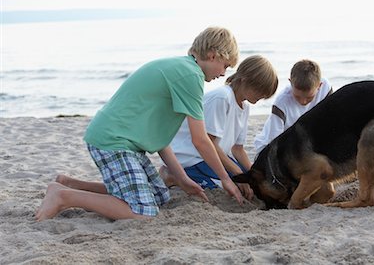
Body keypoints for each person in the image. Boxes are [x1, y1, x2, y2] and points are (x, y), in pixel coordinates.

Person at [35, 27, 245, 221]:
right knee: (143, 211)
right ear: (213, 55)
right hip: (112, 141)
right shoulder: (191, 76)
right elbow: (200, 140)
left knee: (159, 195)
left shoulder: (182, 68)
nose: (223, 73)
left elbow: (160, 138)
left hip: (124, 142)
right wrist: (225, 178)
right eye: (225, 66)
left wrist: (181, 178)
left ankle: (70, 184)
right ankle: (64, 196)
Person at [159, 55, 278, 200]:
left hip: (214, 156)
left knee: (249, 185)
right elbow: (209, 144)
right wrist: (238, 175)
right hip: (192, 156)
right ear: (245, 80)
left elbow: (238, 149)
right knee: (226, 188)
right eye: (261, 91)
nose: (263, 96)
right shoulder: (222, 97)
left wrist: (254, 175)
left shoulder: (245, 107)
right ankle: (172, 176)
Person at [254, 59, 333, 154]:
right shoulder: (281, 102)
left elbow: (331, 121)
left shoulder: (326, 89)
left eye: (309, 97)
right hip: (274, 144)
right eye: (297, 96)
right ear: (290, 82)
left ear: (319, 86)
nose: (303, 101)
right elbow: (274, 140)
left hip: (307, 140)